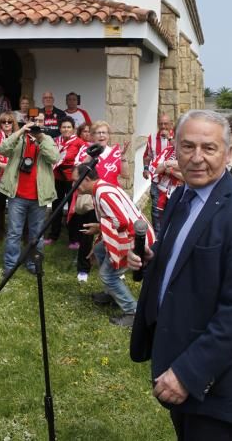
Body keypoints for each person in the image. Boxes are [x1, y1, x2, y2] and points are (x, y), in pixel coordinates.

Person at [129, 110, 232, 440]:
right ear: (174, 149)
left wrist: (187, 374)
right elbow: (187, 259)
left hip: (215, 384)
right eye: (187, 146)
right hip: (177, 359)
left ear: (227, 151)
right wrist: (153, 260)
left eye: (208, 148)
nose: (196, 158)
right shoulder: (183, 195)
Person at [76, 163, 155, 325]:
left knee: (107, 275)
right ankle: (112, 293)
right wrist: (98, 240)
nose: (73, 186)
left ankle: (132, 311)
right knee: (99, 250)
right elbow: (113, 220)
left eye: (75, 181)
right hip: (128, 235)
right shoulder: (100, 189)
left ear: (87, 179)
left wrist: (98, 228)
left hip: (137, 240)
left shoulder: (102, 193)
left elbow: (121, 222)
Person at [0, 113, 60, 275]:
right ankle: (11, 265)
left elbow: (54, 157)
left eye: (39, 122)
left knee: (37, 234)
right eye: (33, 121)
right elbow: (1, 149)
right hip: (17, 195)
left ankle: (33, 264)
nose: (36, 124)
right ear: (27, 122)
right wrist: (19, 132)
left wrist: (40, 138)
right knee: (14, 232)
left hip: (38, 197)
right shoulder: (18, 138)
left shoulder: (46, 139)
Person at [44, 116, 85, 247]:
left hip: (72, 179)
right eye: (63, 127)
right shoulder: (56, 141)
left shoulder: (79, 142)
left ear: (73, 129)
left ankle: (74, 238)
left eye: (69, 127)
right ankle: (53, 235)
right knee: (56, 206)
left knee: (72, 208)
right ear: (60, 129)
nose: (66, 129)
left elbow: (82, 160)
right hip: (57, 177)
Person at [0, 111, 19, 240]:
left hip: (15, 177)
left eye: (9, 121)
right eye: (3, 121)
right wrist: (0, 163)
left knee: (16, 206)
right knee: (0, 205)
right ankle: (0, 232)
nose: (6, 124)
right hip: (0, 176)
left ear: (13, 123)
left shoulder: (19, 136)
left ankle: (15, 231)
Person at [143, 114, 174, 232]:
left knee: (171, 208)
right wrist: (146, 168)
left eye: (166, 124)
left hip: (172, 181)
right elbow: (147, 156)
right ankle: (157, 237)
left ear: (171, 124)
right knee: (156, 210)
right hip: (156, 180)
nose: (163, 126)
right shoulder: (152, 138)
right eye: (161, 124)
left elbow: (179, 151)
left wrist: (170, 139)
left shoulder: (176, 137)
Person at [75, 120, 130, 185]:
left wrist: (123, 155)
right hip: (90, 193)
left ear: (108, 135)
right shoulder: (85, 150)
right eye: (98, 133)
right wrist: (90, 155)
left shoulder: (115, 153)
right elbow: (77, 173)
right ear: (92, 136)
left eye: (104, 132)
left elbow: (125, 175)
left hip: (109, 191)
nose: (101, 135)